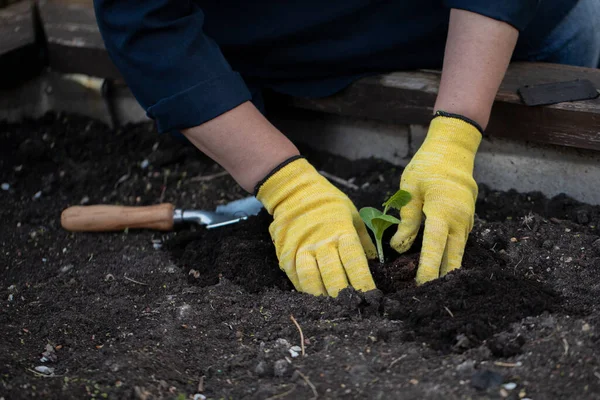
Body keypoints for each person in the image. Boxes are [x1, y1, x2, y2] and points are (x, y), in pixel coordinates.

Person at [94, 0, 600, 297]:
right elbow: (145, 20)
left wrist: (456, 131)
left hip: (492, 34)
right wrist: (287, 186)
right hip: (270, 61)